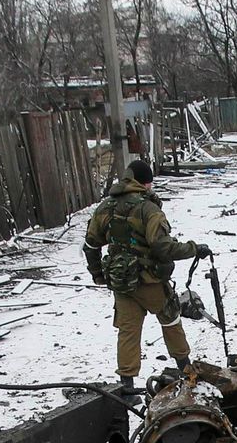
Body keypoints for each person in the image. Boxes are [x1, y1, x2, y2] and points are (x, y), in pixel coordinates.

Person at [83, 158, 211, 391]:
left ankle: (127, 386)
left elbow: (91, 245)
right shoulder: (148, 209)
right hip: (150, 281)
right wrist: (194, 248)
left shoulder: (105, 207)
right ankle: (187, 371)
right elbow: (163, 247)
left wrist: (98, 274)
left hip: (121, 282)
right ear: (145, 183)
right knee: (171, 320)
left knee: (128, 331)